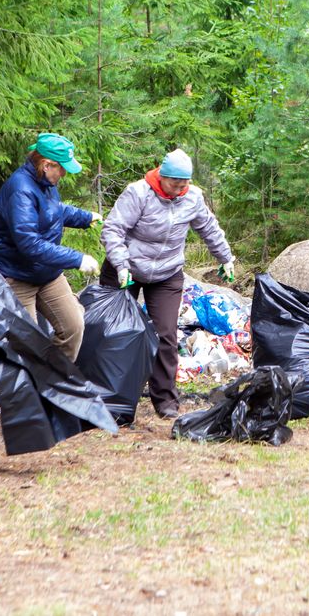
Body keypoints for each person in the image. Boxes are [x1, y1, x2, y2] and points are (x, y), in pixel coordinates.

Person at [100, 148, 235, 419]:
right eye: (175, 184)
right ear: (162, 177)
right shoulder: (138, 193)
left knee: (166, 335)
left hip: (166, 273)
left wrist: (225, 257)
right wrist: (122, 265)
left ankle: (165, 402)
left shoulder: (192, 197)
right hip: (125, 269)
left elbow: (208, 227)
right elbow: (113, 230)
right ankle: (107, 396)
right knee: (114, 334)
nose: (179, 190)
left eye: (184, 184)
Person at [0, 133, 102, 362]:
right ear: (46, 164)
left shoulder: (46, 182)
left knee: (73, 326)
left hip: (46, 273)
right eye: (62, 168)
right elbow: (29, 243)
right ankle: (28, 391)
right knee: (28, 344)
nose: (64, 174)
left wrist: (85, 217)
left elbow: (54, 210)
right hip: (16, 275)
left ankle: (55, 384)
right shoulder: (20, 189)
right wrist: (77, 259)